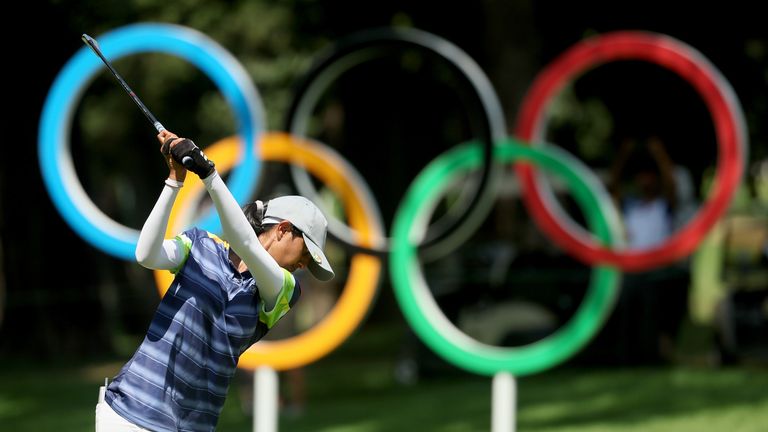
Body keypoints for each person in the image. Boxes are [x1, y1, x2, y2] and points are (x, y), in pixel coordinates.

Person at [94, 130, 334, 432]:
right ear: (284, 230)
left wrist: (208, 172)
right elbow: (147, 254)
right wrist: (175, 180)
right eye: (307, 254)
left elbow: (246, 242)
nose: (304, 264)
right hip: (130, 412)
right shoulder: (200, 244)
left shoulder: (284, 289)